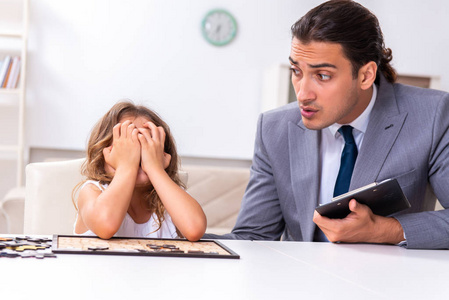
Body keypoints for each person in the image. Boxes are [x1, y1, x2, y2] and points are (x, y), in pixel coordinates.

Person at [204, 0, 449, 249]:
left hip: (387, 283)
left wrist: (385, 231)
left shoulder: (431, 114)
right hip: (299, 284)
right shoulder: (274, 128)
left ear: (366, 75)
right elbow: (252, 238)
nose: (302, 94)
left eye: (322, 76)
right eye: (296, 71)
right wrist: (172, 238)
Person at [73, 101, 207, 241]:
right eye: (126, 147)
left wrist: (155, 169)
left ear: (163, 156)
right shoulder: (92, 191)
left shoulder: (168, 198)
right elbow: (106, 226)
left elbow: (195, 229)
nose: (136, 156)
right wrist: (126, 167)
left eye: (146, 145)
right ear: (103, 154)